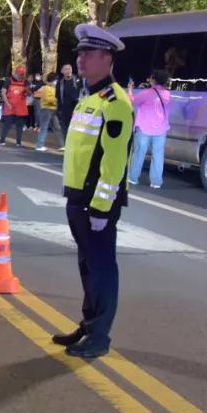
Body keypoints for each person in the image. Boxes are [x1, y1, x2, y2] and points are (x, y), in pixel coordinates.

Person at [52, 24, 133, 359]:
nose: (81, 60)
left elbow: (114, 162)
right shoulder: (91, 98)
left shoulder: (116, 103)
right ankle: (89, 325)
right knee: (88, 267)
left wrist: (101, 207)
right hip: (78, 198)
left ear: (107, 57)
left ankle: (99, 337)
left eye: (88, 54)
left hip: (94, 204)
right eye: (80, 53)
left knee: (100, 269)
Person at [128, 69, 171, 189]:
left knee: (139, 153)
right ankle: (156, 182)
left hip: (144, 128)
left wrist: (130, 90)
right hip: (161, 129)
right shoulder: (167, 95)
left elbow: (132, 101)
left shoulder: (146, 93)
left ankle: (133, 177)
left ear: (154, 79)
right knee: (158, 155)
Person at [0, 66, 29, 147]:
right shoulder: (8, 80)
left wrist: (28, 91)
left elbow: (28, 93)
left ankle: (18, 142)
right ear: (15, 73)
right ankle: (2, 141)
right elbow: (3, 93)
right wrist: (7, 104)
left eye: (22, 75)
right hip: (10, 107)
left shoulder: (25, 82)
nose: (20, 76)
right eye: (19, 74)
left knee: (19, 126)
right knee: (7, 125)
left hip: (20, 108)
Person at [34, 72, 63, 151]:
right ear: (53, 80)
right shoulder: (46, 88)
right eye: (55, 80)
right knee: (44, 127)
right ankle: (39, 145)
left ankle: (62, 145)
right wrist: (57, 101)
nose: (56, 81)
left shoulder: (54, 88)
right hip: (46, 109)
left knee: (57, 127)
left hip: (53, 110)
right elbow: (48, 99)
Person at [56, 62, 81, 145]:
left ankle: (75, 143)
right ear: (62, 71)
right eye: (66, 69)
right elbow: (58, 96)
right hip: (64, 108)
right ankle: (67, 143)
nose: (68, 71)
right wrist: (59, 109)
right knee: (65, 127)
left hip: (77, 108)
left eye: (69, 69)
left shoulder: (77, 79)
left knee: (76, 127)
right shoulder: (60, 83)